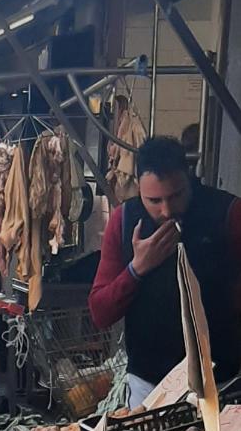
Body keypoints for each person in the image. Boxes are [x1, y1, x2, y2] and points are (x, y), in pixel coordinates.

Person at [89, 136, 241, 409]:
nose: (166, 210)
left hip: (222, 382)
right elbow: (100, 313)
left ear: (189, 179)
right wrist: (137, 269)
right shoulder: (123, 222)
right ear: (138, 189)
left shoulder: (228, 213)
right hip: (148, 388)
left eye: (176, 195)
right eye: (154, 200)